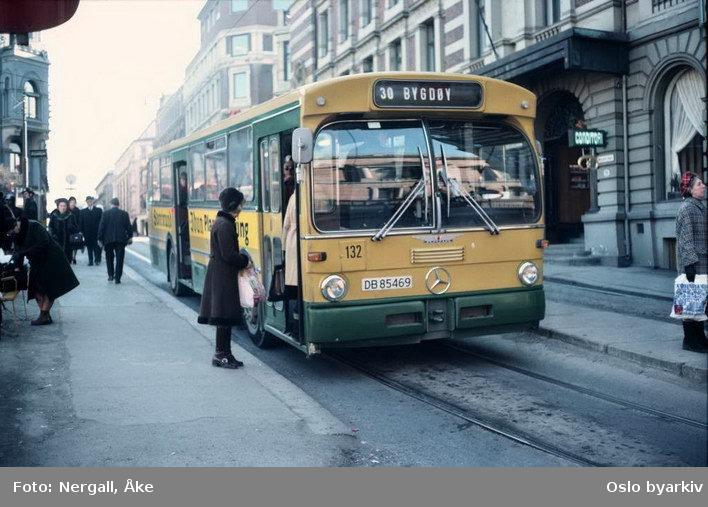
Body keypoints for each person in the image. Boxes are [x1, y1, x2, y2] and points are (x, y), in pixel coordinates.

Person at [198, 187, 250, 369]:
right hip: (222, 277)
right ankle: (220, 355)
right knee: (223, 317)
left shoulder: (223, 222)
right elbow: (229, 255)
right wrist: (245, 260)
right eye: (241, 204)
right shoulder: (225, 225)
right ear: (233, 204)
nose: (242, 208)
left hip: (222, 275)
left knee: (224, 318)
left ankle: (225, 354)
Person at [7, 214, 80, 325]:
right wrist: (17, 266)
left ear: (16, 225)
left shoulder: (34, 226)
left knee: (50, 288)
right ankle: (44, 314)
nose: (12, 234)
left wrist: (25, 252)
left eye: (12, 231)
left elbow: (44, 243)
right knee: (35, 288)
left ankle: (44, 315)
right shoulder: (16, 234)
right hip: (36, 262)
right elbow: (18, 252)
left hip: (52, 259)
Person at [675, 172, 708, 353]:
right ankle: (690, 340)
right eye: (699, 184)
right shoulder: (687, 208)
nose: (703, 186)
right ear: (689, 189)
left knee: (701, 302)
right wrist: (689, 265)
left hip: (702, 262)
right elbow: (685, 239)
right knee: (690, 303)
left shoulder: (699, 207)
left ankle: (700, 338)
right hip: (693, 265)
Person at [97, 197, 133, 284]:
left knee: (109, 258)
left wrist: (99, 238)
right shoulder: (124, 214)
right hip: (120, 240)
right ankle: (117, 278)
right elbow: (128, 227)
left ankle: (110, 275)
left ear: (111, 204)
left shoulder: (106, 213)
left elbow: (101, 227)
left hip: (108, 240)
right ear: (118, 204)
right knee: (120, 259)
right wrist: (130, 237)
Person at [282, 191, 298, 335]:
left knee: (292, 288)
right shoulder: (317, 191)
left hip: (292, 243)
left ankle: (292, 327)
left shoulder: (293, 196)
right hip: (299, 243)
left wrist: (283, 249)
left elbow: (286, 224)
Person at [48, 198, 79, 262]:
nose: (63, 208)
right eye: (61, 206)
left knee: (67, 261)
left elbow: (76, 229)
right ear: (58, 207)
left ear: (67, 207)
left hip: (68, 243)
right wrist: (53, 235)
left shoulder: (71, 216)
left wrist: (71, 227)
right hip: (56, 242)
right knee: (57, 261)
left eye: (64, 206)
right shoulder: (54, 216)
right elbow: (50, 227)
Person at [80, 196, 103, 266]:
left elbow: (101, 222)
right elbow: (81, 223)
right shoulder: (83, 212)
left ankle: (96, 260)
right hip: (87, 233)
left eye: (90, 201)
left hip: (96, 233)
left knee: (96, 247)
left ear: (93, 201)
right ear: (86, 202)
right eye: (88, 201)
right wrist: (81, 232)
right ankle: (90, 261)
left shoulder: (98, 210)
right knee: (89, 247)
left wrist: (101, 232)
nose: (89, 202)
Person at [68, 196, 82, 264]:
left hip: (75, 229)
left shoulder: (78, 211)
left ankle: (74, 257)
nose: (72, 204)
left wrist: (79, 229)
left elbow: (80, 220)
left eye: (74, 202)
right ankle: (70, 257)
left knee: (75, 244)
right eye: (71, 202)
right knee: (70, 244)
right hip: (68, 230)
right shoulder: (67, 210)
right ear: (69, 203)